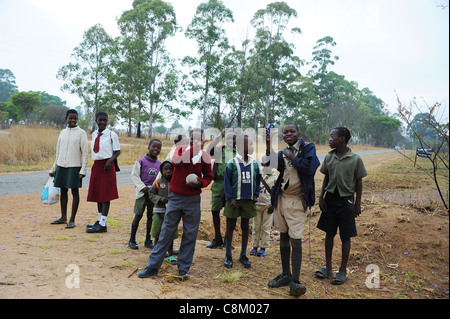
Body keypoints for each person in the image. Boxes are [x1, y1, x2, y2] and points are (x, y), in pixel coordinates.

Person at [138, 128, 213, 280]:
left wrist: (200, 183)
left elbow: (209, 177)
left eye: (199, 140)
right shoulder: (180, 150)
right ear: (189, 139)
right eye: (193, 139)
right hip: (175, 198)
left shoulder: (205, 157)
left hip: (193, 200)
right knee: (166, 233)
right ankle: (152, 267)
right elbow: (176, 163)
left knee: (190, 235)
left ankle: (183, 269)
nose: (196, 142)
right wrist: (194, 149)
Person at [263, 123, 320, 297]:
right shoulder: (282, 153)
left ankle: (296, 280)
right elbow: (269, 165)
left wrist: (292, 157)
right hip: (281, 199)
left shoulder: (308, 148)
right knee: (284, 235)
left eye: (292, 131)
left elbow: (310, 169)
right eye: (285, 132)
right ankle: (286, 274)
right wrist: (268, 144)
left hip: (297, 201)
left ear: (298, 133)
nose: (288, 134)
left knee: (295, 239)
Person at [315, 127, 367, 285]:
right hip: (330, 200)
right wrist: (321, 196)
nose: (329, 140)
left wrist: (357, 204)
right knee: (329, 234)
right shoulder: (329, 157)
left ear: (342, 139)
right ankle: (328, 267)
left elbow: (359, 182)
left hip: (346, 202)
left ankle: (342, 270)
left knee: (345, 236)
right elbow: (326, 178)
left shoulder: (355, 159)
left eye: (332, 137)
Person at [223, 134, 261, 269]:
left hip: (248, 200)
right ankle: (228, 255)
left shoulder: (254, 163)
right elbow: (227, 183)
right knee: (230, 227)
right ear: (240, 147)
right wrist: (230, 198)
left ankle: (243, 255)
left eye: (252, 144)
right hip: (234, 201)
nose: (252, 147)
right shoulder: (231, 163)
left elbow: (258, 180)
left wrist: (256, 194)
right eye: (249, 144)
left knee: (246, 227)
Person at [49, 109, 88, 228]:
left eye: (75, 118)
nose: (73, 120)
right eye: (70, 118)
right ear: (66, 118)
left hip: (75, 166)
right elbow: (58, 152)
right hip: (61, 165)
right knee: (63, 191)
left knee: (75, 192)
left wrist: (83, 169)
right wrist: (54, 168)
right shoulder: (62, 132)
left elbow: (85, 153)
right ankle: (63, 217)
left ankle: (72, 219)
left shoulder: (81, 133)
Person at [86, 111, 121, 233]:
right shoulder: (94, 134)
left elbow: (117, 151)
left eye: (104, 120)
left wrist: (110, 160)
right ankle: (100, 221)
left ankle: (103, 223)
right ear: (96, 121)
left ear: (107, 121)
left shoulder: (112, 135)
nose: (102, 122)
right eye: (100, 120)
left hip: (107, 166)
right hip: (97, 165)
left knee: (105, 195)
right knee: (97, 194)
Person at [128, 139, 162, 249]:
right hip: (142, 194)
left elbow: (160, 179)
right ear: (148, 147)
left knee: (150, 217)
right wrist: (143, 188)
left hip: (153, 195)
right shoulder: (140, 161)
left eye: (158, 147)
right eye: (153, 146)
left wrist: (154, 189)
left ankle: (148, 240)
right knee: (138, 215)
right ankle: (132, 240)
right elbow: (135, 176)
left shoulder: (160, 164)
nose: (155, 149)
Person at [206, 130, 236, 249]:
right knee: (215, 210)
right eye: (227, 139)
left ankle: (227, 240)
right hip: (218, 184)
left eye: (233, 139)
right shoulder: (220, 150)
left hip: (232, 187)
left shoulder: (239, 153)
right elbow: (208, 151)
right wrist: (219, 137)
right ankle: (217, 237)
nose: (230, 141)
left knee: (230, 213)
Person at [148, 160, 178, 265]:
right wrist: (160, 199)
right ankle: (158, 254)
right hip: (159, 212)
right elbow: (150, 193)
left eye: (170, 169)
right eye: (166, 169)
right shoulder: (158, 182)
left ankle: (170, 255)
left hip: (172, 213)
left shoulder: (176, 182)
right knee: (157, 233)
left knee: (170, 234)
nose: (168, 171)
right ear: (161, 170)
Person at [250, 165, 277, 257]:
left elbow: (276, 193)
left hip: (268, 206)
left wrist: (273, 205)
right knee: (256, 227)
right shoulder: (258, 174)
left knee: (266, 227)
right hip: (257, 205)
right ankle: (254, 246)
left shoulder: (275, 177)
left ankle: (263, 248)